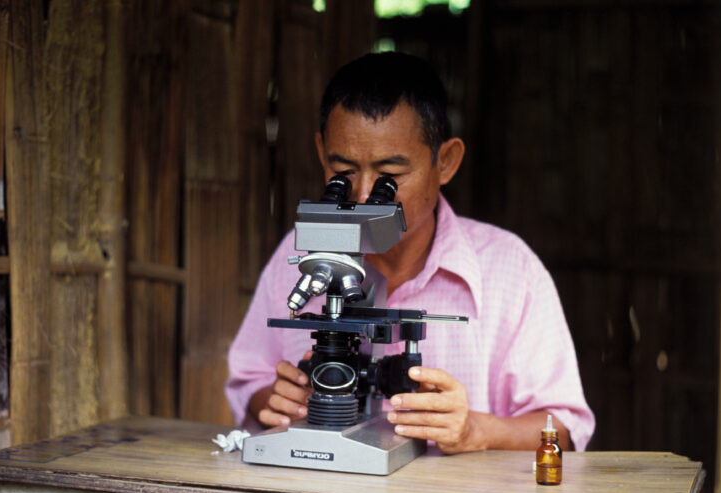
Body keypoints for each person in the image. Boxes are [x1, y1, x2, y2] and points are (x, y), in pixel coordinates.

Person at [225, 52, 595, 453]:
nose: (365, 196)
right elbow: (250, 385)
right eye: (343, 172)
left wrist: (475, 431)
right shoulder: (297, 255)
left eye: (391, 177)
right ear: (321, 153)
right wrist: (282, 401)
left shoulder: (511, 269)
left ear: (446, 162)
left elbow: (565, 431)